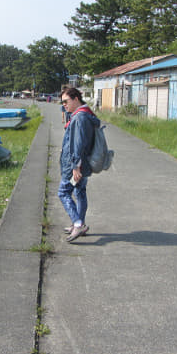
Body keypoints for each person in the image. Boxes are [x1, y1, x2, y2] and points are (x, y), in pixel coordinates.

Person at [58, 87, 100, 242]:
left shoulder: (79, 118)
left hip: (74, 165)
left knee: (63, 192)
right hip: (84, 162)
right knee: (80, 192)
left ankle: (78, 223)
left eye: (66, 101)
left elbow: (78, 144)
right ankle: (79, 224)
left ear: (76, 99)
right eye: (62, 103)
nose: (64, 105)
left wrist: (76, 166)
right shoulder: (86, 114)